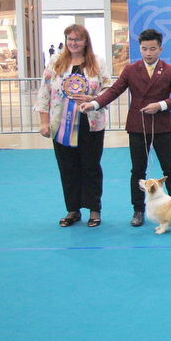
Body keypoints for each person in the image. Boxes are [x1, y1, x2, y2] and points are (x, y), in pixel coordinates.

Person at [79, 28, 171, 227]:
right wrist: (94, 104)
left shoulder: (170, 70)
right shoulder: (130, 70)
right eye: (144, 49)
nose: (148, 53)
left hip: (162, 127)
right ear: (140, 48)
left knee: (170, 169)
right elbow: (114, 91)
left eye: (152, 49)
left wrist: (160, 105)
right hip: (137, 127)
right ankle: (138, 210)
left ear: (160, 49)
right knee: (138, 171)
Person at [36, 24, 110, 228]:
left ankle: (94, 209)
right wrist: (44, 122)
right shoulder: (55, 62)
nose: (73, 43)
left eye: (77, 39)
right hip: (61, 125)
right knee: (67, 168)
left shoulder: (98, 62)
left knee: (91, 166)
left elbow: (108, 89)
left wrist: (93, 98)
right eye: (69, 39)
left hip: (91, 124)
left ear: (86, 41)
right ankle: (73, 209)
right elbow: (45, 91)